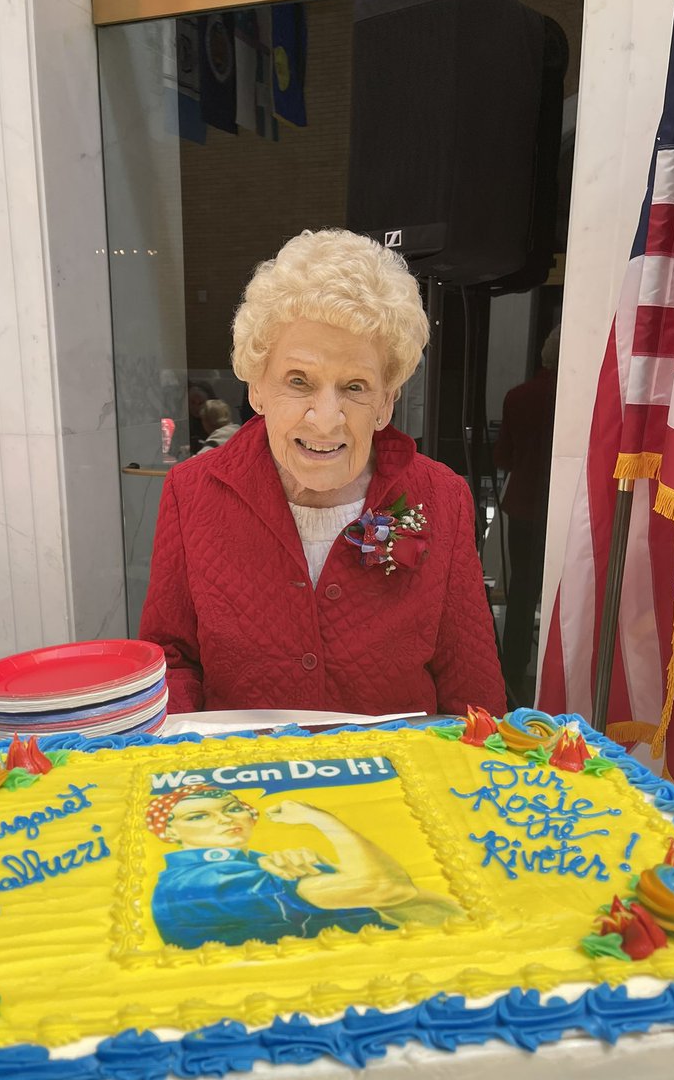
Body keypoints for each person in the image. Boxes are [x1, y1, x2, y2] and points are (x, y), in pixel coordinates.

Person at [140, 228, 506, 717]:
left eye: (355, 386)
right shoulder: (192, 492)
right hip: (245, 784)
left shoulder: (443, 497)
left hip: (395, 786)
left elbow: (472, 690)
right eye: (299, 381)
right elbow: (172, 660)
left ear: (385, 403)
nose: (326, 417)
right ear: (257, 389)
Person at [146, 784, 461, 948]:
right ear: (170, 832)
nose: (226, 819)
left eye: (232, 808)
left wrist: (334, 871)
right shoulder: (199, 882)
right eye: (198, 816)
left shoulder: (266, 864)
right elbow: (385, 887)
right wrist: (320, 818)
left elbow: (442, 914)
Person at [493, 325, 560, 704]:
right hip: (564, 509)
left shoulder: (518, 396)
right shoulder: (582, 399)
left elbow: (503, 457)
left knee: (521, 592)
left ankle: (514, 671)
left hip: (523, 504)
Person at [187, 380, 215, 451]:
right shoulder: (185, 423)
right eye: (192, 402)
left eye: (200, 403)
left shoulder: (215, 422)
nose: (196, 408)